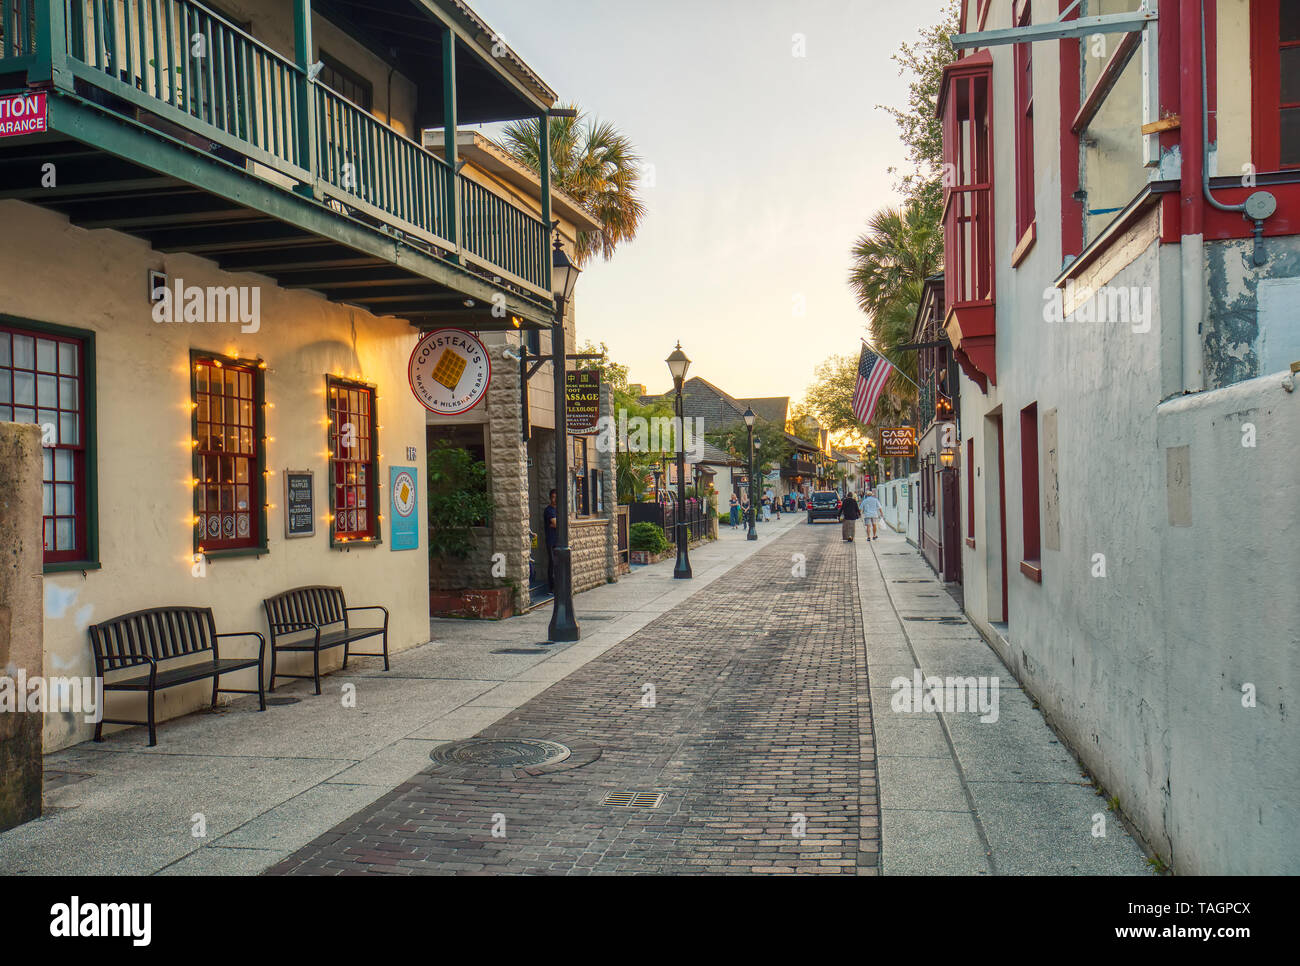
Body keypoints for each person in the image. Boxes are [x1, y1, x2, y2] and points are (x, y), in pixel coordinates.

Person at [543, 489, 559, 590]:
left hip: (559, 541)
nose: (554, 499)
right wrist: (557, 523)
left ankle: (558, 586)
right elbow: (556, 524)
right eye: (553, 497)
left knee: (559, 563)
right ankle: (551, 588)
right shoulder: (549, 510)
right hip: (551, 540)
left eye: (556, 497)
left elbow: (562, 523)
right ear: (550, 498)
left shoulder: (559, 510)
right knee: (552, 563)